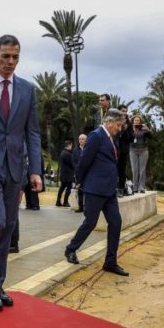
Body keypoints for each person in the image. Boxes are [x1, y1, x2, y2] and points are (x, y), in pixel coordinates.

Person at [0, 34, 42, 310]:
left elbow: (33, 132)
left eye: (15, 57)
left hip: (17, 167)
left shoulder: (28, 89)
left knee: (9, 226)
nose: (10, 62)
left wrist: (35, 170)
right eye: (5, 56)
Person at [64, 109, 128, 276]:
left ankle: (110, 262)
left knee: (116, 222)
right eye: (118, 125)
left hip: (109, 191)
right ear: (110, 122)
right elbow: (84, 162)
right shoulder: (96, 135)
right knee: (90, 223)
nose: (119, 129)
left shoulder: (110, 139)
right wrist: (82, 183)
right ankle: (71, 249)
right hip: (94, 189)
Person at [129, 115, 152, 193]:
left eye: (138, 121)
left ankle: (141, 187)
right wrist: (131, 130)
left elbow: (151, 137)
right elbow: (127, 137)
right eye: (135, 120)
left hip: (143, 150)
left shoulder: (143, 129)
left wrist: (148, 130)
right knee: (135, 170)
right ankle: (135, 187)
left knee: (142, 170)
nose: (137, 122)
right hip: (133, 150)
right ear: (133, 121)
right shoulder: (130, 129)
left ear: (140, 122)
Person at [116, 106, 132, 197]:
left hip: (124, 150)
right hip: (115, 149)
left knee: (122, 170)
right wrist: (120, 127)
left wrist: (125, 130)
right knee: (114, 169)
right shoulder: (114, 120)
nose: (124, 113)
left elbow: (131, 138)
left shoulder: (129, 123)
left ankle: (121, 189)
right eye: (123, 111)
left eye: (126, 111)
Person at [56, 140, 75, 207]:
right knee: (69, 188)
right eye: (71, 145)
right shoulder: (68, 154)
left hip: (63, 174)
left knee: (62, 188)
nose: (71, 147)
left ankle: (58, 201)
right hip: (68, 175)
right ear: (69, 145)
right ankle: (65, 202)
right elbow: (72, 164)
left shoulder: (63, 153)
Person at [72, 134, 87, 213]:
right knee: (80, 190)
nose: (81, 141)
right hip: (79, 173)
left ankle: (87, 207)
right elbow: (74, 162)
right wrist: (76, 170)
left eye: (83, 139)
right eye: (79, 139)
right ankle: (80, 207)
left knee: (87, 190)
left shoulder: (88, 149)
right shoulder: (75, 150)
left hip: (87, 173)